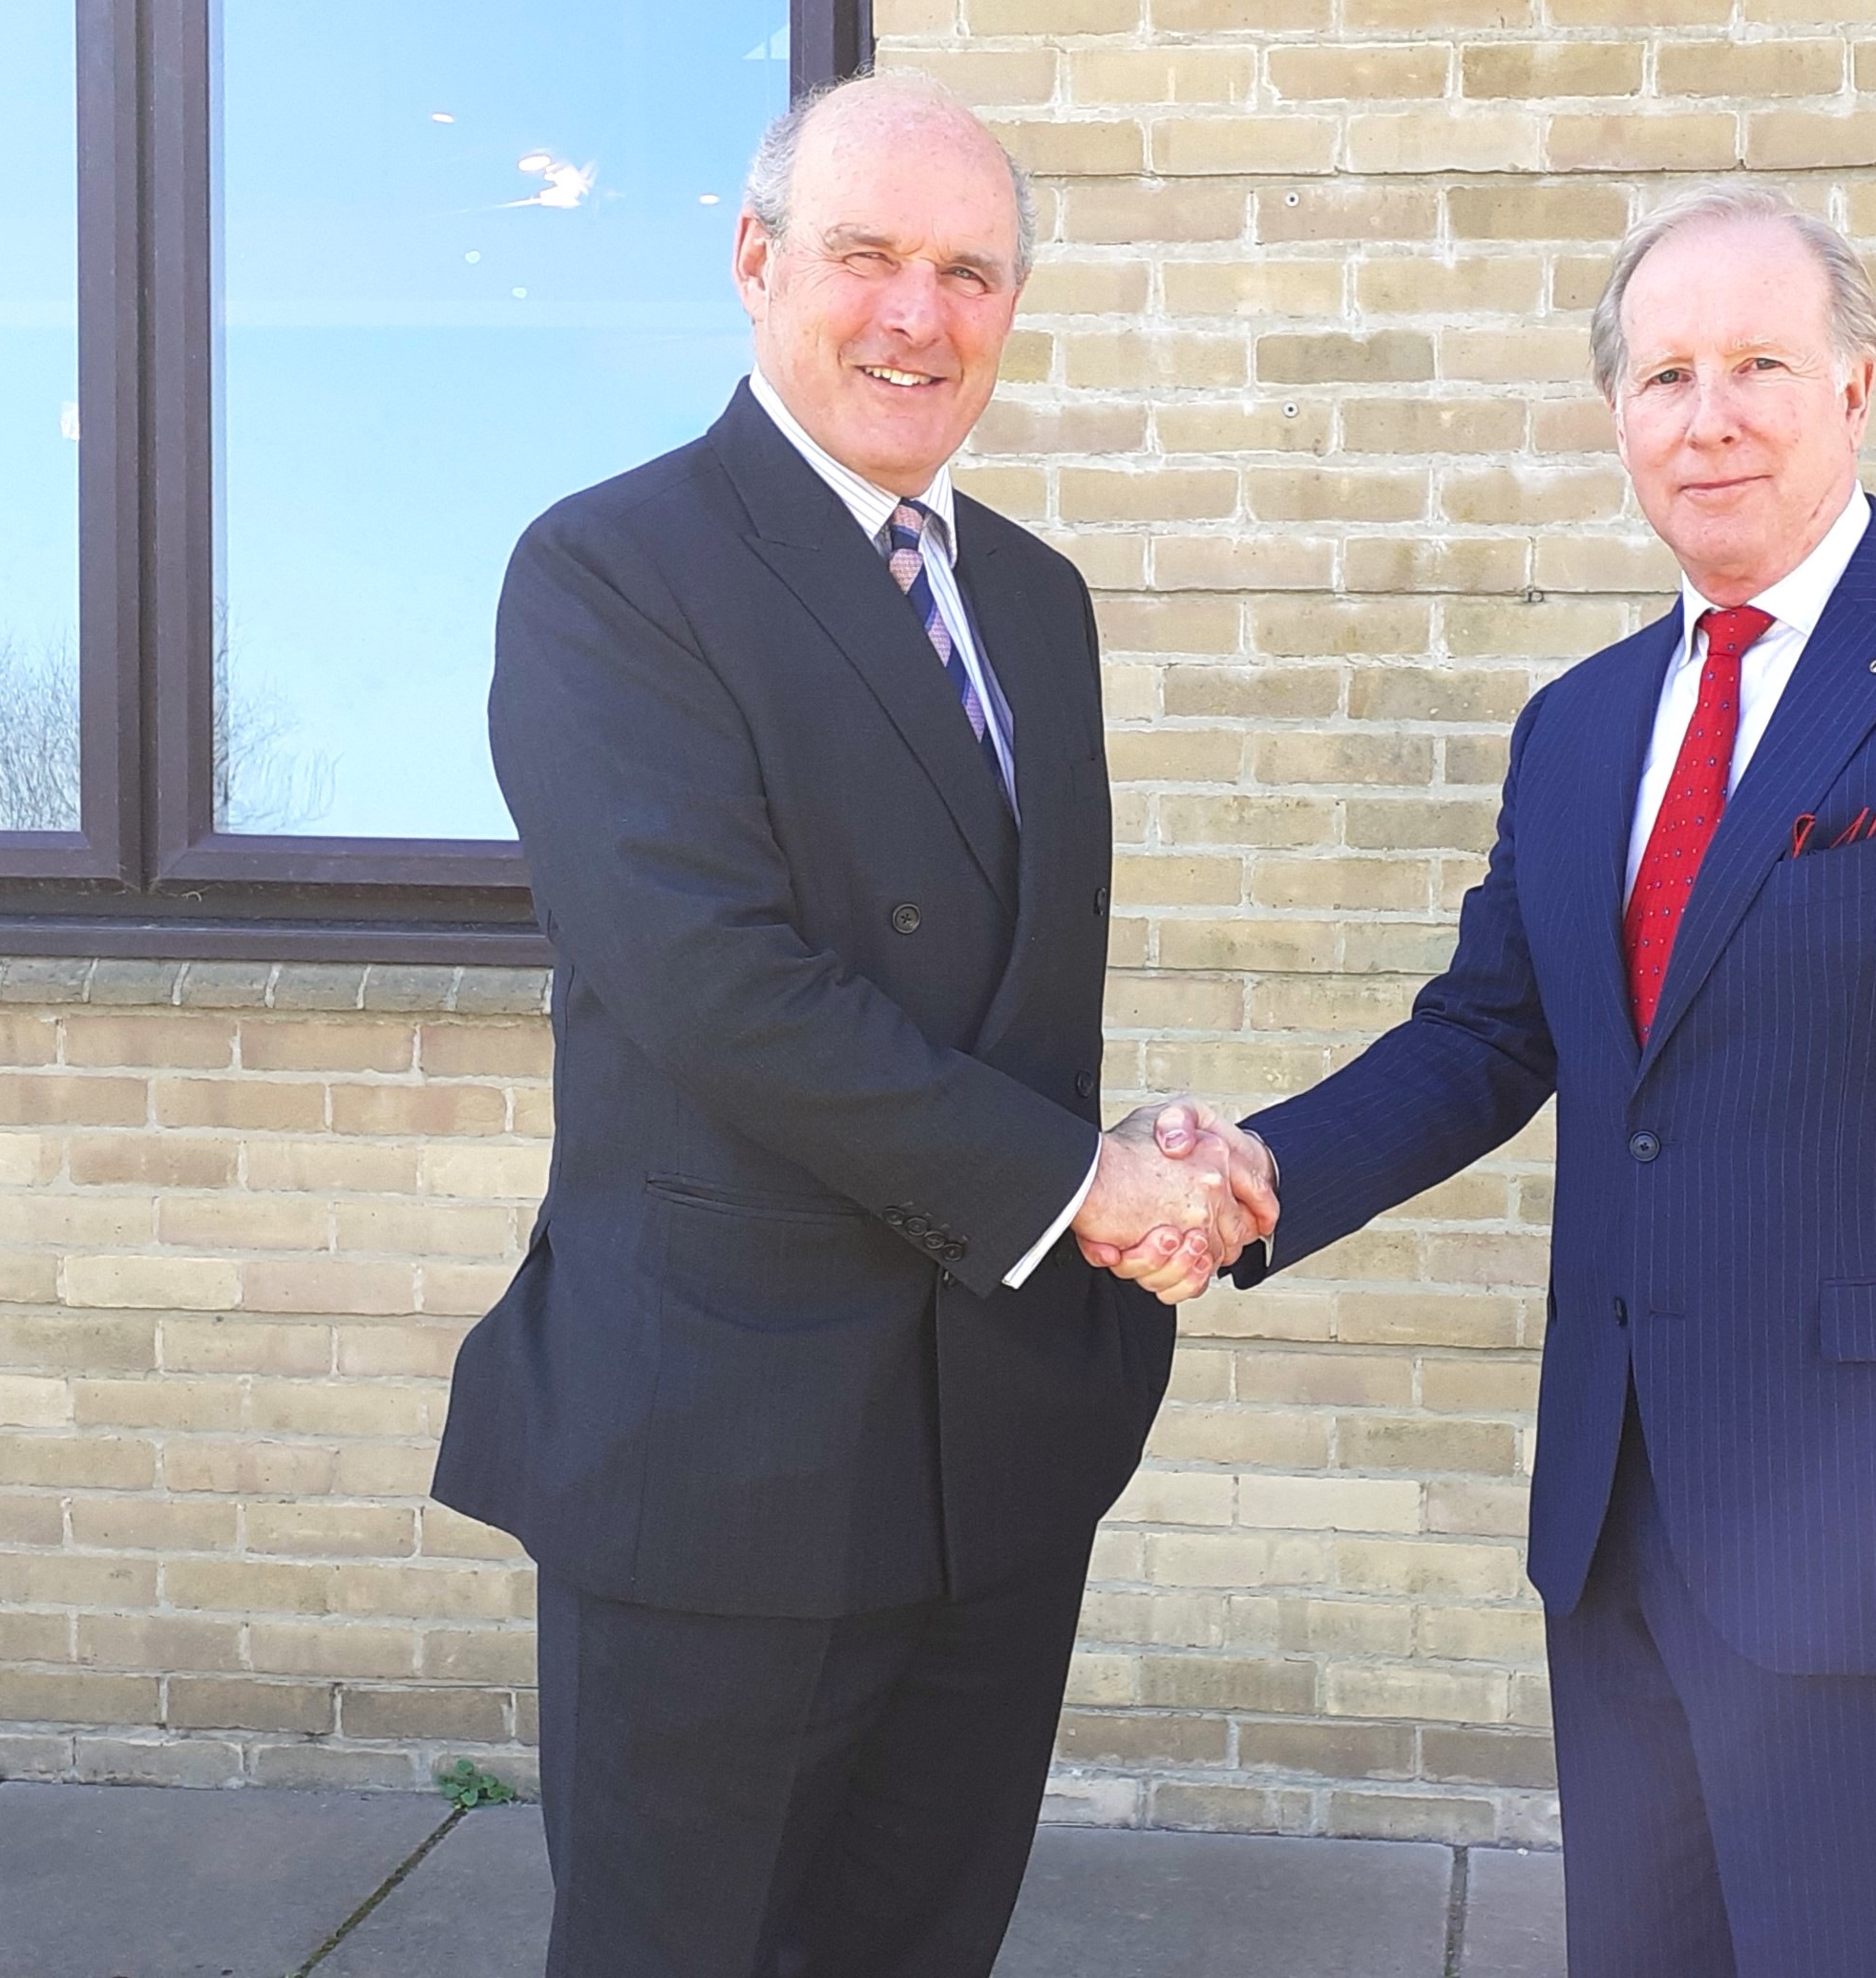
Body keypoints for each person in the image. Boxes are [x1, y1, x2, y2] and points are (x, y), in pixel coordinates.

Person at [1101, 187, 1876, 1975]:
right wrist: (1253, 1173)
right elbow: (1486, 1035)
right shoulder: (1579, 726)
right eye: (1663, 375)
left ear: (1854, 385)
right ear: (1615, 414)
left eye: (1757, 364)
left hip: (1873, 1552)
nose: (1708, 417)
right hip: (1614, 1528)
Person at [430, 73, 1270, 1978]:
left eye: (968, 271)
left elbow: (996, 996)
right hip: (725, 1455)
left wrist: (1136, 1153)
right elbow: (715, 986)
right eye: (865, 255)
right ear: (754, 262)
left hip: (995, 1451)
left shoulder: (1034, 603)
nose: (917, 314)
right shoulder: (612, 573)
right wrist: (1082, 1182)